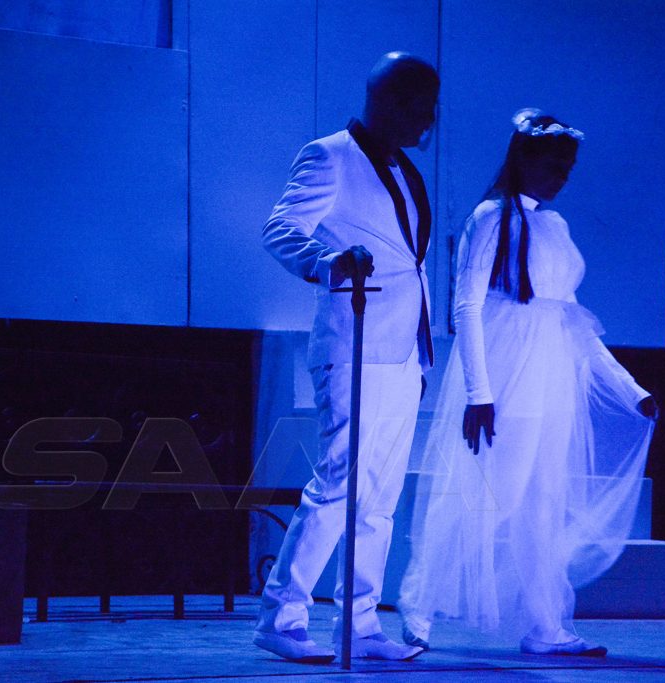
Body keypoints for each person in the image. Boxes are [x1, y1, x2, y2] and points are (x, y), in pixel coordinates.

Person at [397, 108, 659, 658]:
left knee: (543, 504)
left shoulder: (554, 227)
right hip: (506, 372)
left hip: (550, 377)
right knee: (487, 497)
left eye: (568, 168)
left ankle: (546, 625)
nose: (562, 177)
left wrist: (630, 389)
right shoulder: (490, 218)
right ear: (525, 159)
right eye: (553, 165)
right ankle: (418, 602)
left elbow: (572, 320)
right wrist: (480, 393)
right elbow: (466, 306)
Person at [254, 52, 439, 663]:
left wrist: (419, 351)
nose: (430, 119)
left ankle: (359, 625)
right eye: (423, 106)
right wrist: (327, 261)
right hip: (352, 346)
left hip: (402, 355)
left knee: (380, 499)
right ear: (392, 101)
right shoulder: (329, 155)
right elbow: (281, 228)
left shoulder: (408, 171)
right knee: (338, 486)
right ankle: (281, 616)